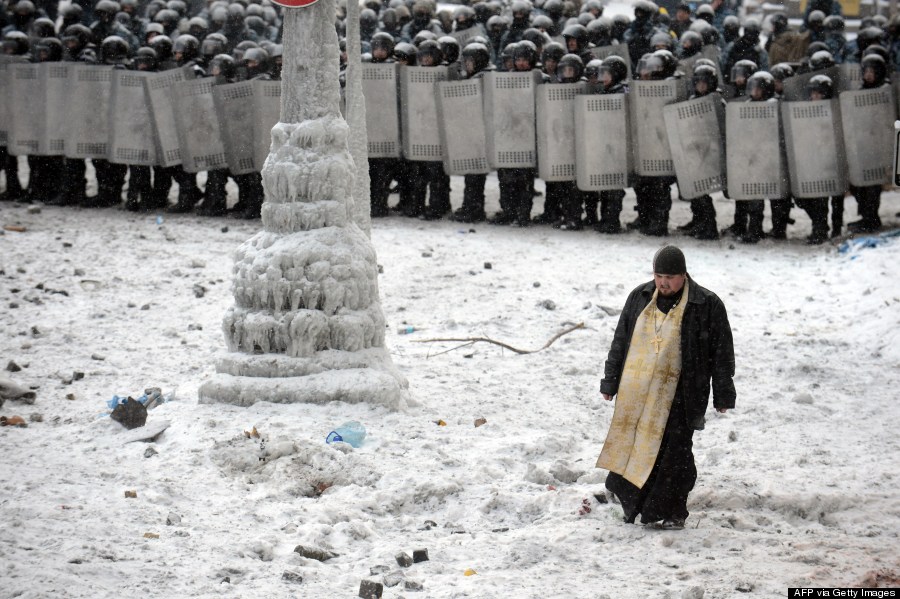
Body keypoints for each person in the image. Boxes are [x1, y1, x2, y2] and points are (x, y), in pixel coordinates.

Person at [597, 245, 736, 529]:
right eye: (659, 276)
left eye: (670, 277)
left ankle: (672, 511)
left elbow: (721, 353)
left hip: (683, 393)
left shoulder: (707, 304)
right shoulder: (640, 297)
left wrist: (723, 393)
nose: (664, 283)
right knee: (638, 448)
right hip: (640, 391)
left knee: (675, 454)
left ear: (683, 275)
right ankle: (635, 505)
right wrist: (610, 380)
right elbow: (620, 341)